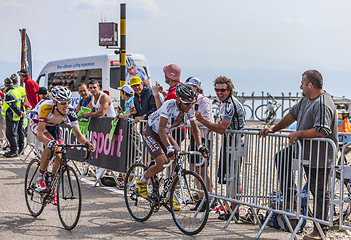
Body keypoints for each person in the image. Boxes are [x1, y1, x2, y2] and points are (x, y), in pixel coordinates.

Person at [258, 70, 337, 240]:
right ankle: (291, 198)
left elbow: (322, 131)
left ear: (310, 85)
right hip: (303, 152)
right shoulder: (306, 100)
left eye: (302, 82)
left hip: (320, 156)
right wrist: (273, 129)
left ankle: (320, 230)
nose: (300, 86)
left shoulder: (322, 103)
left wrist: (298, 133)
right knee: (282, 157)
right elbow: (291, 115)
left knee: (320, 192)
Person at [137, 84, 209, 211]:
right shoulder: (169, 105)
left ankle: (170, 196)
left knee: (177, 159)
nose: (189, 106)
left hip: (166, 132)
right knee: (163, 161)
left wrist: (200, 146)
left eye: (191, 103)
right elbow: (161, 128)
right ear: (178, 100)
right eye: (186, 103)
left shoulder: (190, 108)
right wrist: (169, 148)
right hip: (152, 131)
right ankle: (142, 180)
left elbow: (195, 129)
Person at [29, 86, 94, 205]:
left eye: (68, 102)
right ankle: (40, 178)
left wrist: (86, 143)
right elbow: (40, 132)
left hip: (53, 126)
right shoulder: (46, 107)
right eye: (63, 102)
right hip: (38, 124)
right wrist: (48, 142)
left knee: (59, 155)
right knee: (50, 144)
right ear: (54, 102)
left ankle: (52, 187)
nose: (66, 105)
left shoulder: (70, 112)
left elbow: (78, 135)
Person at [195, 76, 245, 220]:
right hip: (230, 143)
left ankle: (234, 212)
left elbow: (222, 128)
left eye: (222, 90)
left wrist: (203, 121)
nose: (219, 93)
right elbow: (221, 123)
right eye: (217, 90)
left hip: (235, 144)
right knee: (228, 178)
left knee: (233, 178)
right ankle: (232, 210)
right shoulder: (224, 103)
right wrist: (212, 126)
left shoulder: (230, 104)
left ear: (229, 90)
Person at [184, 76, 214, 210]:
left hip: (204, 138)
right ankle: (201, 197)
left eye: (193, 86)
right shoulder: (190, 100)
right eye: (188, 86)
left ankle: (209, 198)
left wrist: (190, 122)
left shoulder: (204, 100)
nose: (190, 88)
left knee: (202, 170)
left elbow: (205, 120)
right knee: (193, 168)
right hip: (194, 137)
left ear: (197, 88)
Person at [1, 78, 24, 157]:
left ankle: (14, 151)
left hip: (11, 117)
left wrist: (18, 113)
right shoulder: (16, 92)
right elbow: (21, 103)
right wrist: (21, 112)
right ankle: (13, 149)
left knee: (10, 134)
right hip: (15, 117)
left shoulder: (9, 94)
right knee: (13, 134)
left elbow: (12, 106)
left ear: (6, 86)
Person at [10, 73, 28, 154]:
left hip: (12, 113)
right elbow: (26, 101)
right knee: (20, 130)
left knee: (13, 131)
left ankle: (14, 147)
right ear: (17, 81)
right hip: (21, 112)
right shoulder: (22, 89)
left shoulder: (10, 89)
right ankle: (21, 147)